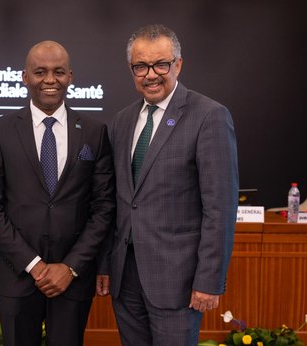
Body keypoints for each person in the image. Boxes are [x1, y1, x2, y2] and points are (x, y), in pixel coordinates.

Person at [97, 24, 239, 345]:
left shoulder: (209, 116)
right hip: (125, 277)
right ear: (131, 69)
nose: (151, 74)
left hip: (179, 280)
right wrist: (105, 263)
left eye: (161, 64)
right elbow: (117, 201)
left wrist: (209, 280)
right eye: (140, 66)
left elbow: (220, 208)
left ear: (178, 64)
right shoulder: (122, 121)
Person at [0, 41, 115, 346]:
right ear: (25, 77)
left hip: (73, 279)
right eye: (40, 72)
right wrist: (34, 265)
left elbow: (104, 206)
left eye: (58, 72)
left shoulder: (94, 131)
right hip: (17, 276)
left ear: (71, 76)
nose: (50, 80)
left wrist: (71, 266)